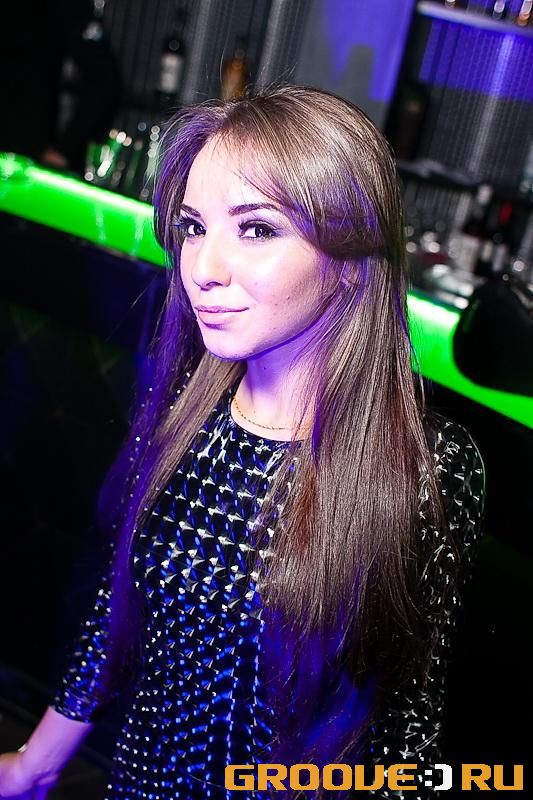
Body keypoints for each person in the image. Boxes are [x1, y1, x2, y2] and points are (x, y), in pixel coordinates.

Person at [0, 85, 485, 799]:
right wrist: (34, 764)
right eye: (194, 227)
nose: (203, 268)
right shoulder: (185, 411)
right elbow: (117, 612)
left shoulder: (426, 467)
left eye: (256, 229)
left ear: (350, 256)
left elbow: (407, 730)